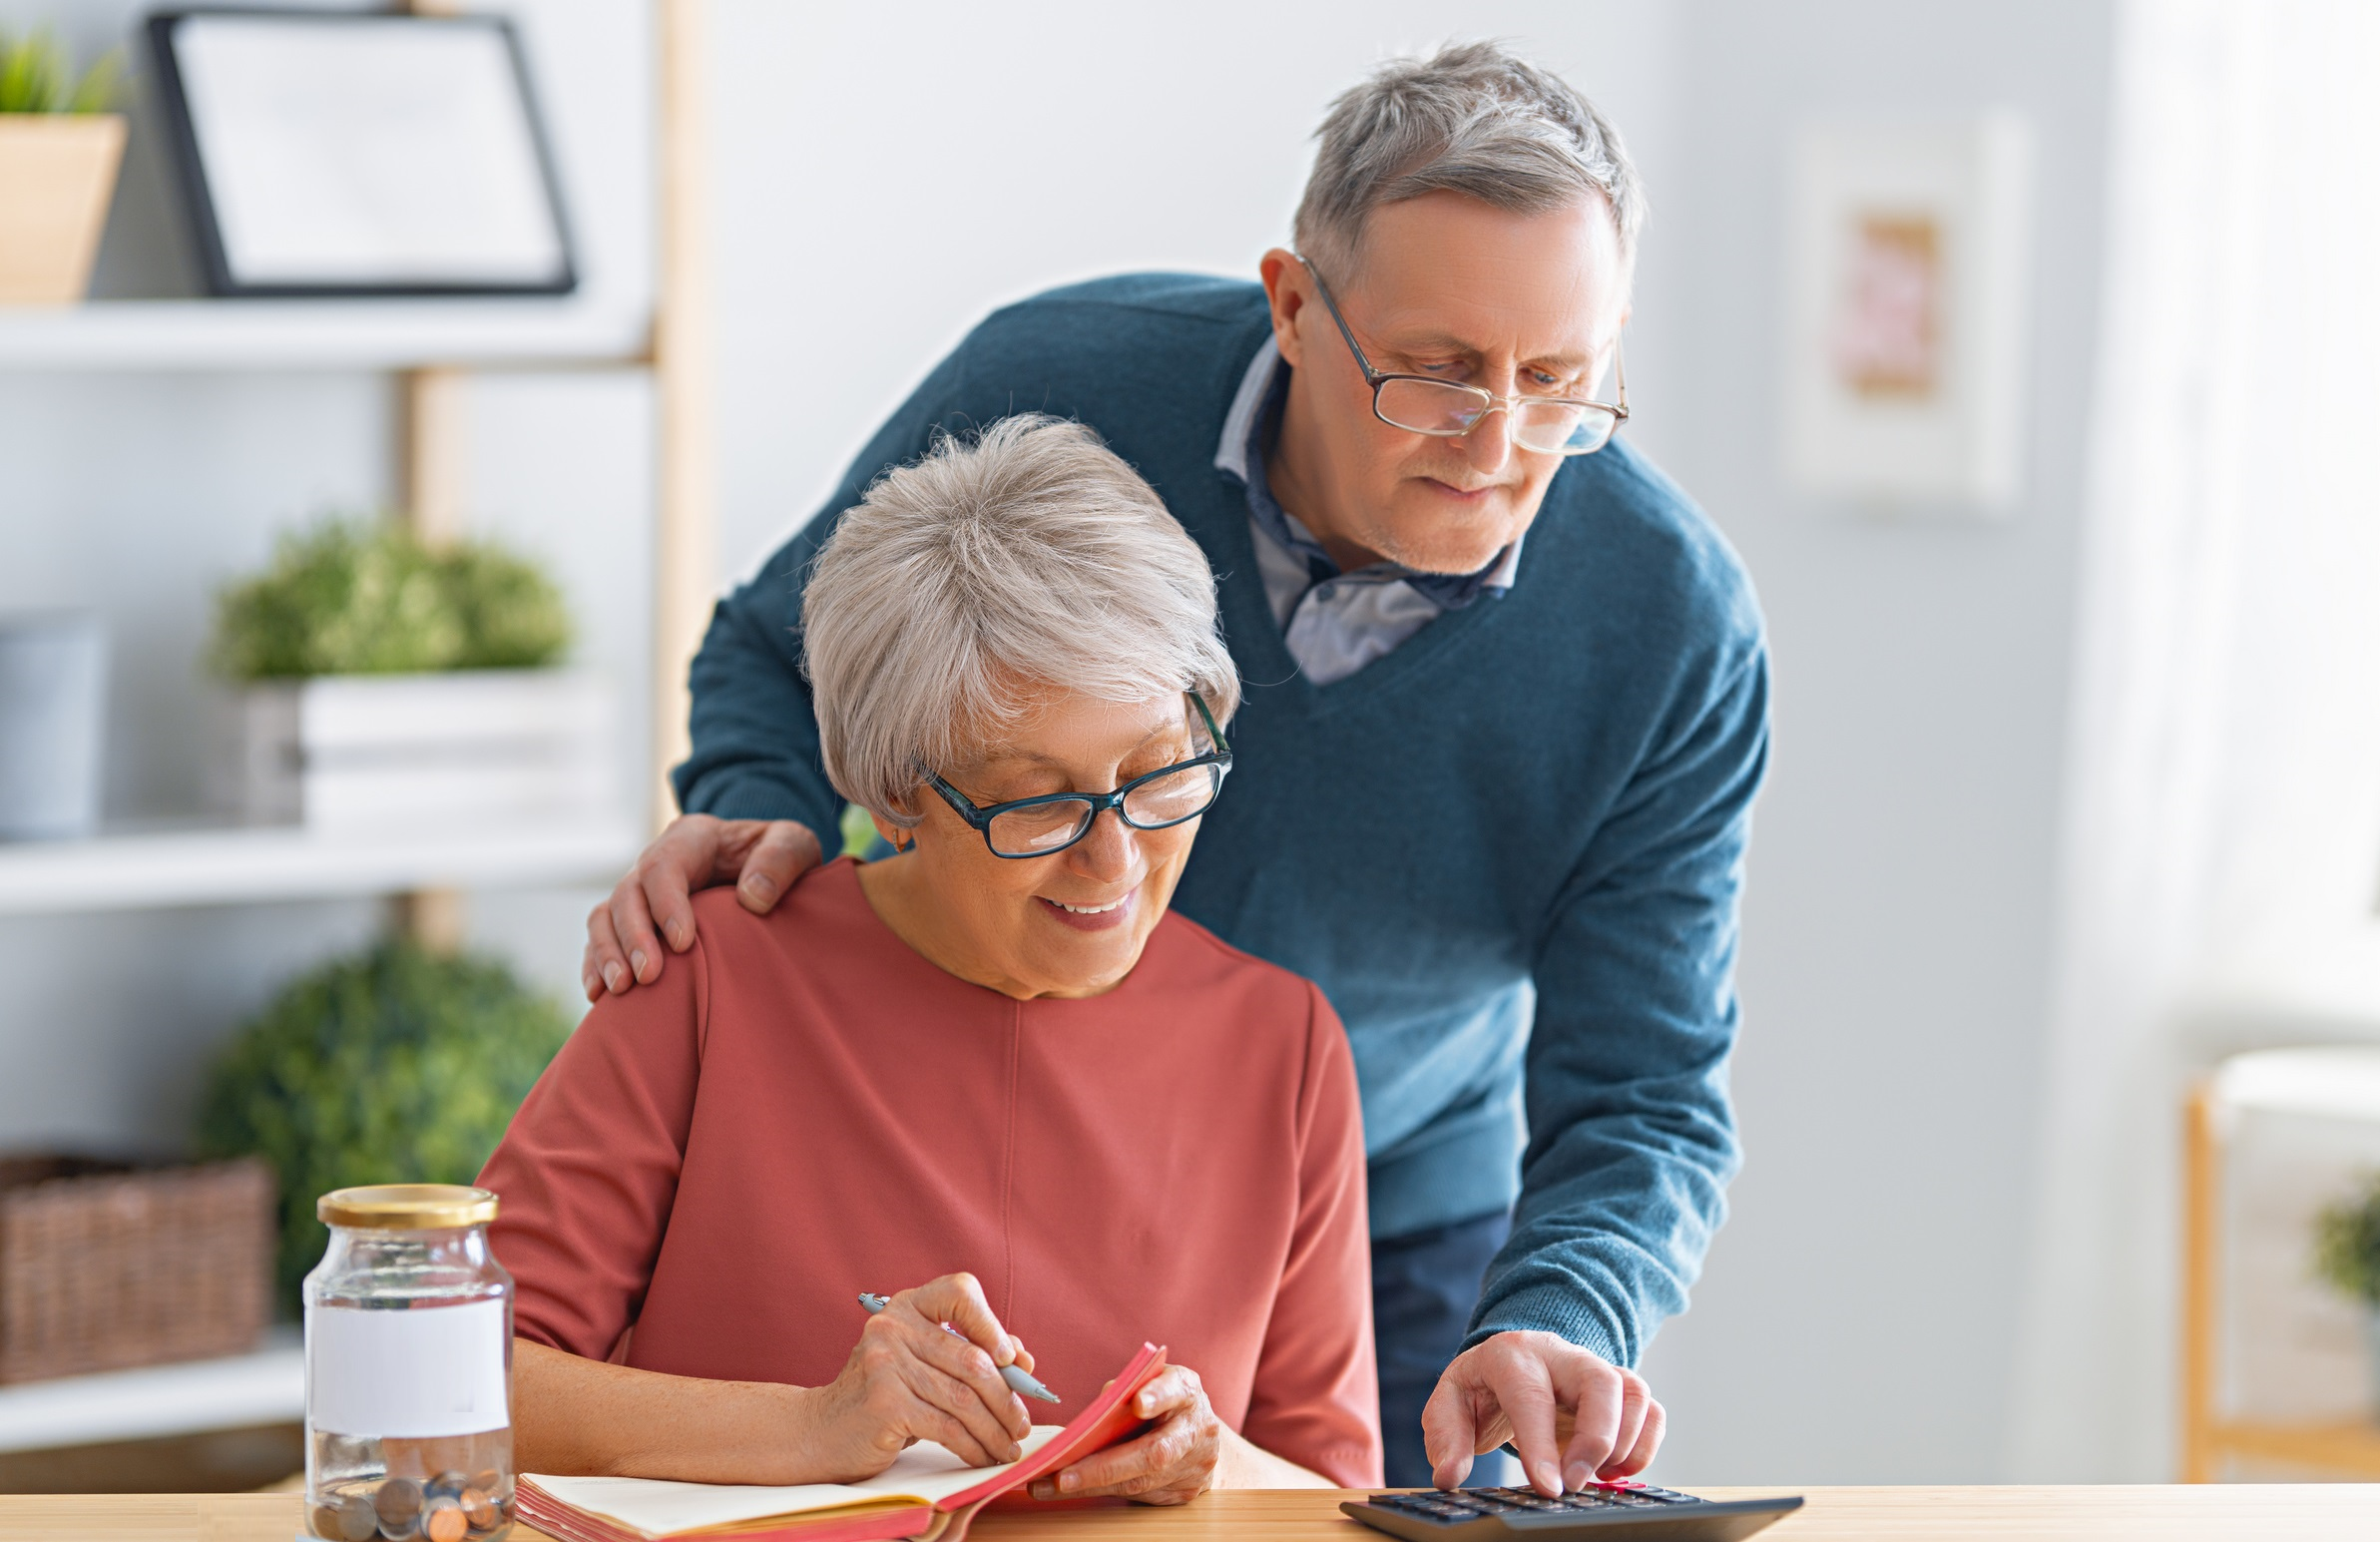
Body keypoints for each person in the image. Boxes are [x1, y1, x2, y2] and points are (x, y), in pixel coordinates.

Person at [585, 42, 1767, 1496]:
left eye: (1562, 382)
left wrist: (1559, 1312)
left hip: (1390, 1205)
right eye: (1436, 372)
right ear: (1291, 307)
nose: (1498, 441)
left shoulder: (1669, 626)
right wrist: (763, 834)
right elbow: (780, 648)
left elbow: (1646, 1085)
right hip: (978, 1124)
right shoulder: (1054, 382)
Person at [483, 418, 1381, 1498]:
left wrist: (1218, 1462)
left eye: (1158, 773)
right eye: (1038, 801)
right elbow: (451, 1381)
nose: (1115, 861)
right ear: (897, 792)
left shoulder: (1283, 1044)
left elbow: (1338, 1500)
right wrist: (812, 1430)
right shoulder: (707, 977)